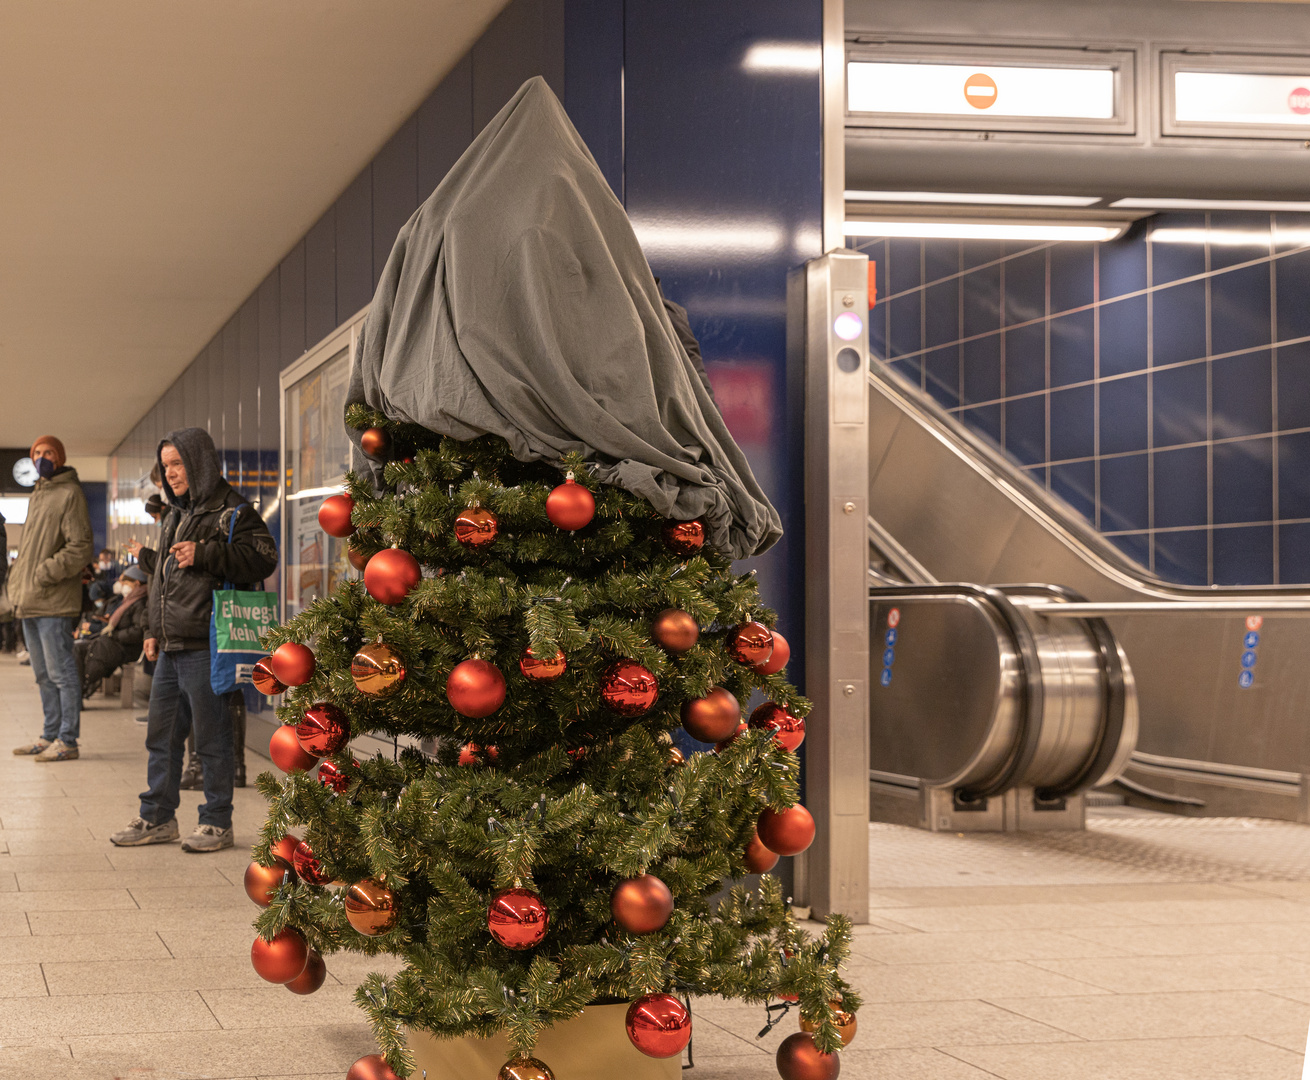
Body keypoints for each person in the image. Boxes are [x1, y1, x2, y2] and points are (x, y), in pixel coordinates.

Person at [110, 428, 276, 853]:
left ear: (199, 462)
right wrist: (151, 629)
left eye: (178, 464)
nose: (171, 474)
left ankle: (217, 822)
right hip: (170, 645)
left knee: (212, 738)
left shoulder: (232, 509)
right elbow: (159, 579)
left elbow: (262, 557)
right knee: (161, 736)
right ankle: (157, 818)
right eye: (166, 466)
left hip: (207, 644)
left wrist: (206, 554)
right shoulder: (175, 514)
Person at [8, 436, 94, 761]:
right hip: (30, 600)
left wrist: (44, 573)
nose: (42, 458)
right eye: (37, 454)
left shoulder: (69, 494)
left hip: (54, 600)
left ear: (60, 458)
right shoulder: (38, 495)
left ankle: (67, 740)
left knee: (61, 673)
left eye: (48, 453)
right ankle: (49, 734)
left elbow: (80, 547)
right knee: (42, 674)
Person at [75, 566, 148, 698]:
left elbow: (138, 632)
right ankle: (77, 689)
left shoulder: (140, 603)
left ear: (136, 583)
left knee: (95, 650)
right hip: (116, 643)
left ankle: (83, 686)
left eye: (126, 583)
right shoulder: (128, 600)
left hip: (127, 648)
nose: (123, 586)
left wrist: (114, 634)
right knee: (77, 649)